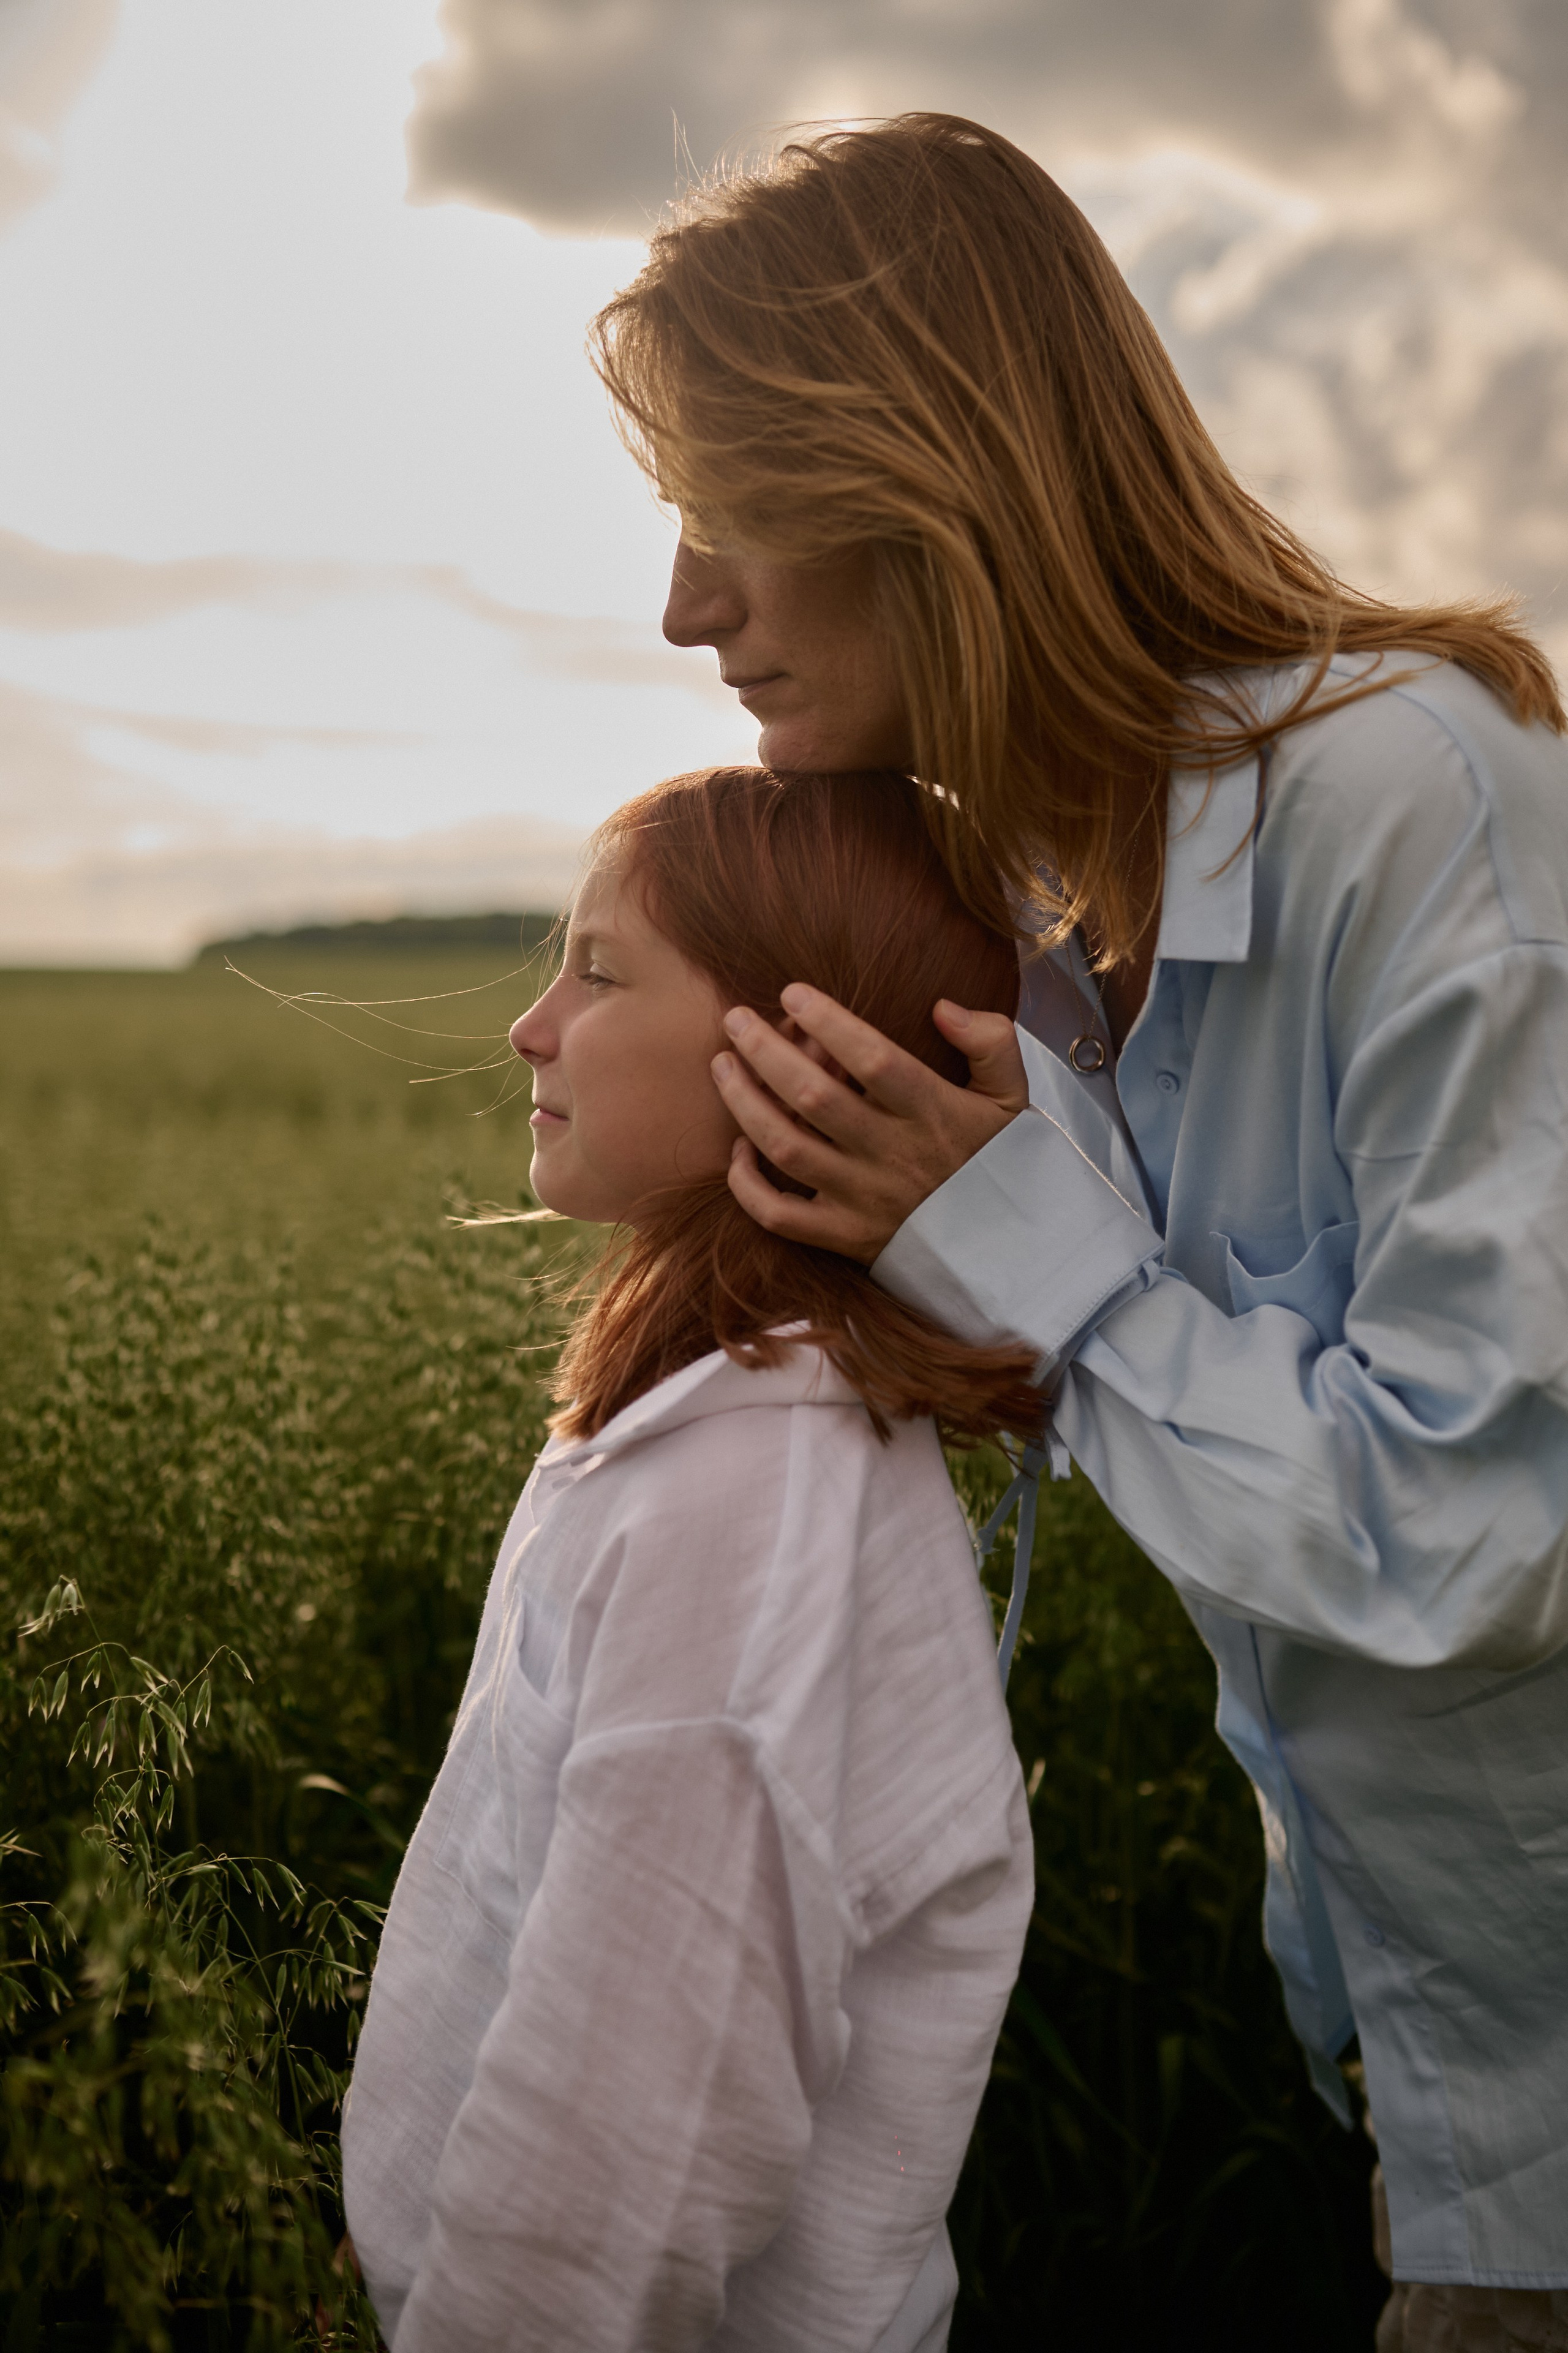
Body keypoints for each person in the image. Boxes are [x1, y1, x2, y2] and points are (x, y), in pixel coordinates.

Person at [590, 114, 1568, 2348]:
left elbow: (1484, 1524)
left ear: (923, 468)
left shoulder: (1430, 809)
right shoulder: (1045, 942)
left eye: (727, 507)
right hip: (1426, 2084)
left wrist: (1027, 1252)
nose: (685, 607)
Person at [341, 766, 1041, 2352]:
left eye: (596, 972)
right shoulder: (722, 1431)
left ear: (800, 1057)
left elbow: (615, 2182)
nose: (530, 1027)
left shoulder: (754, 1498)